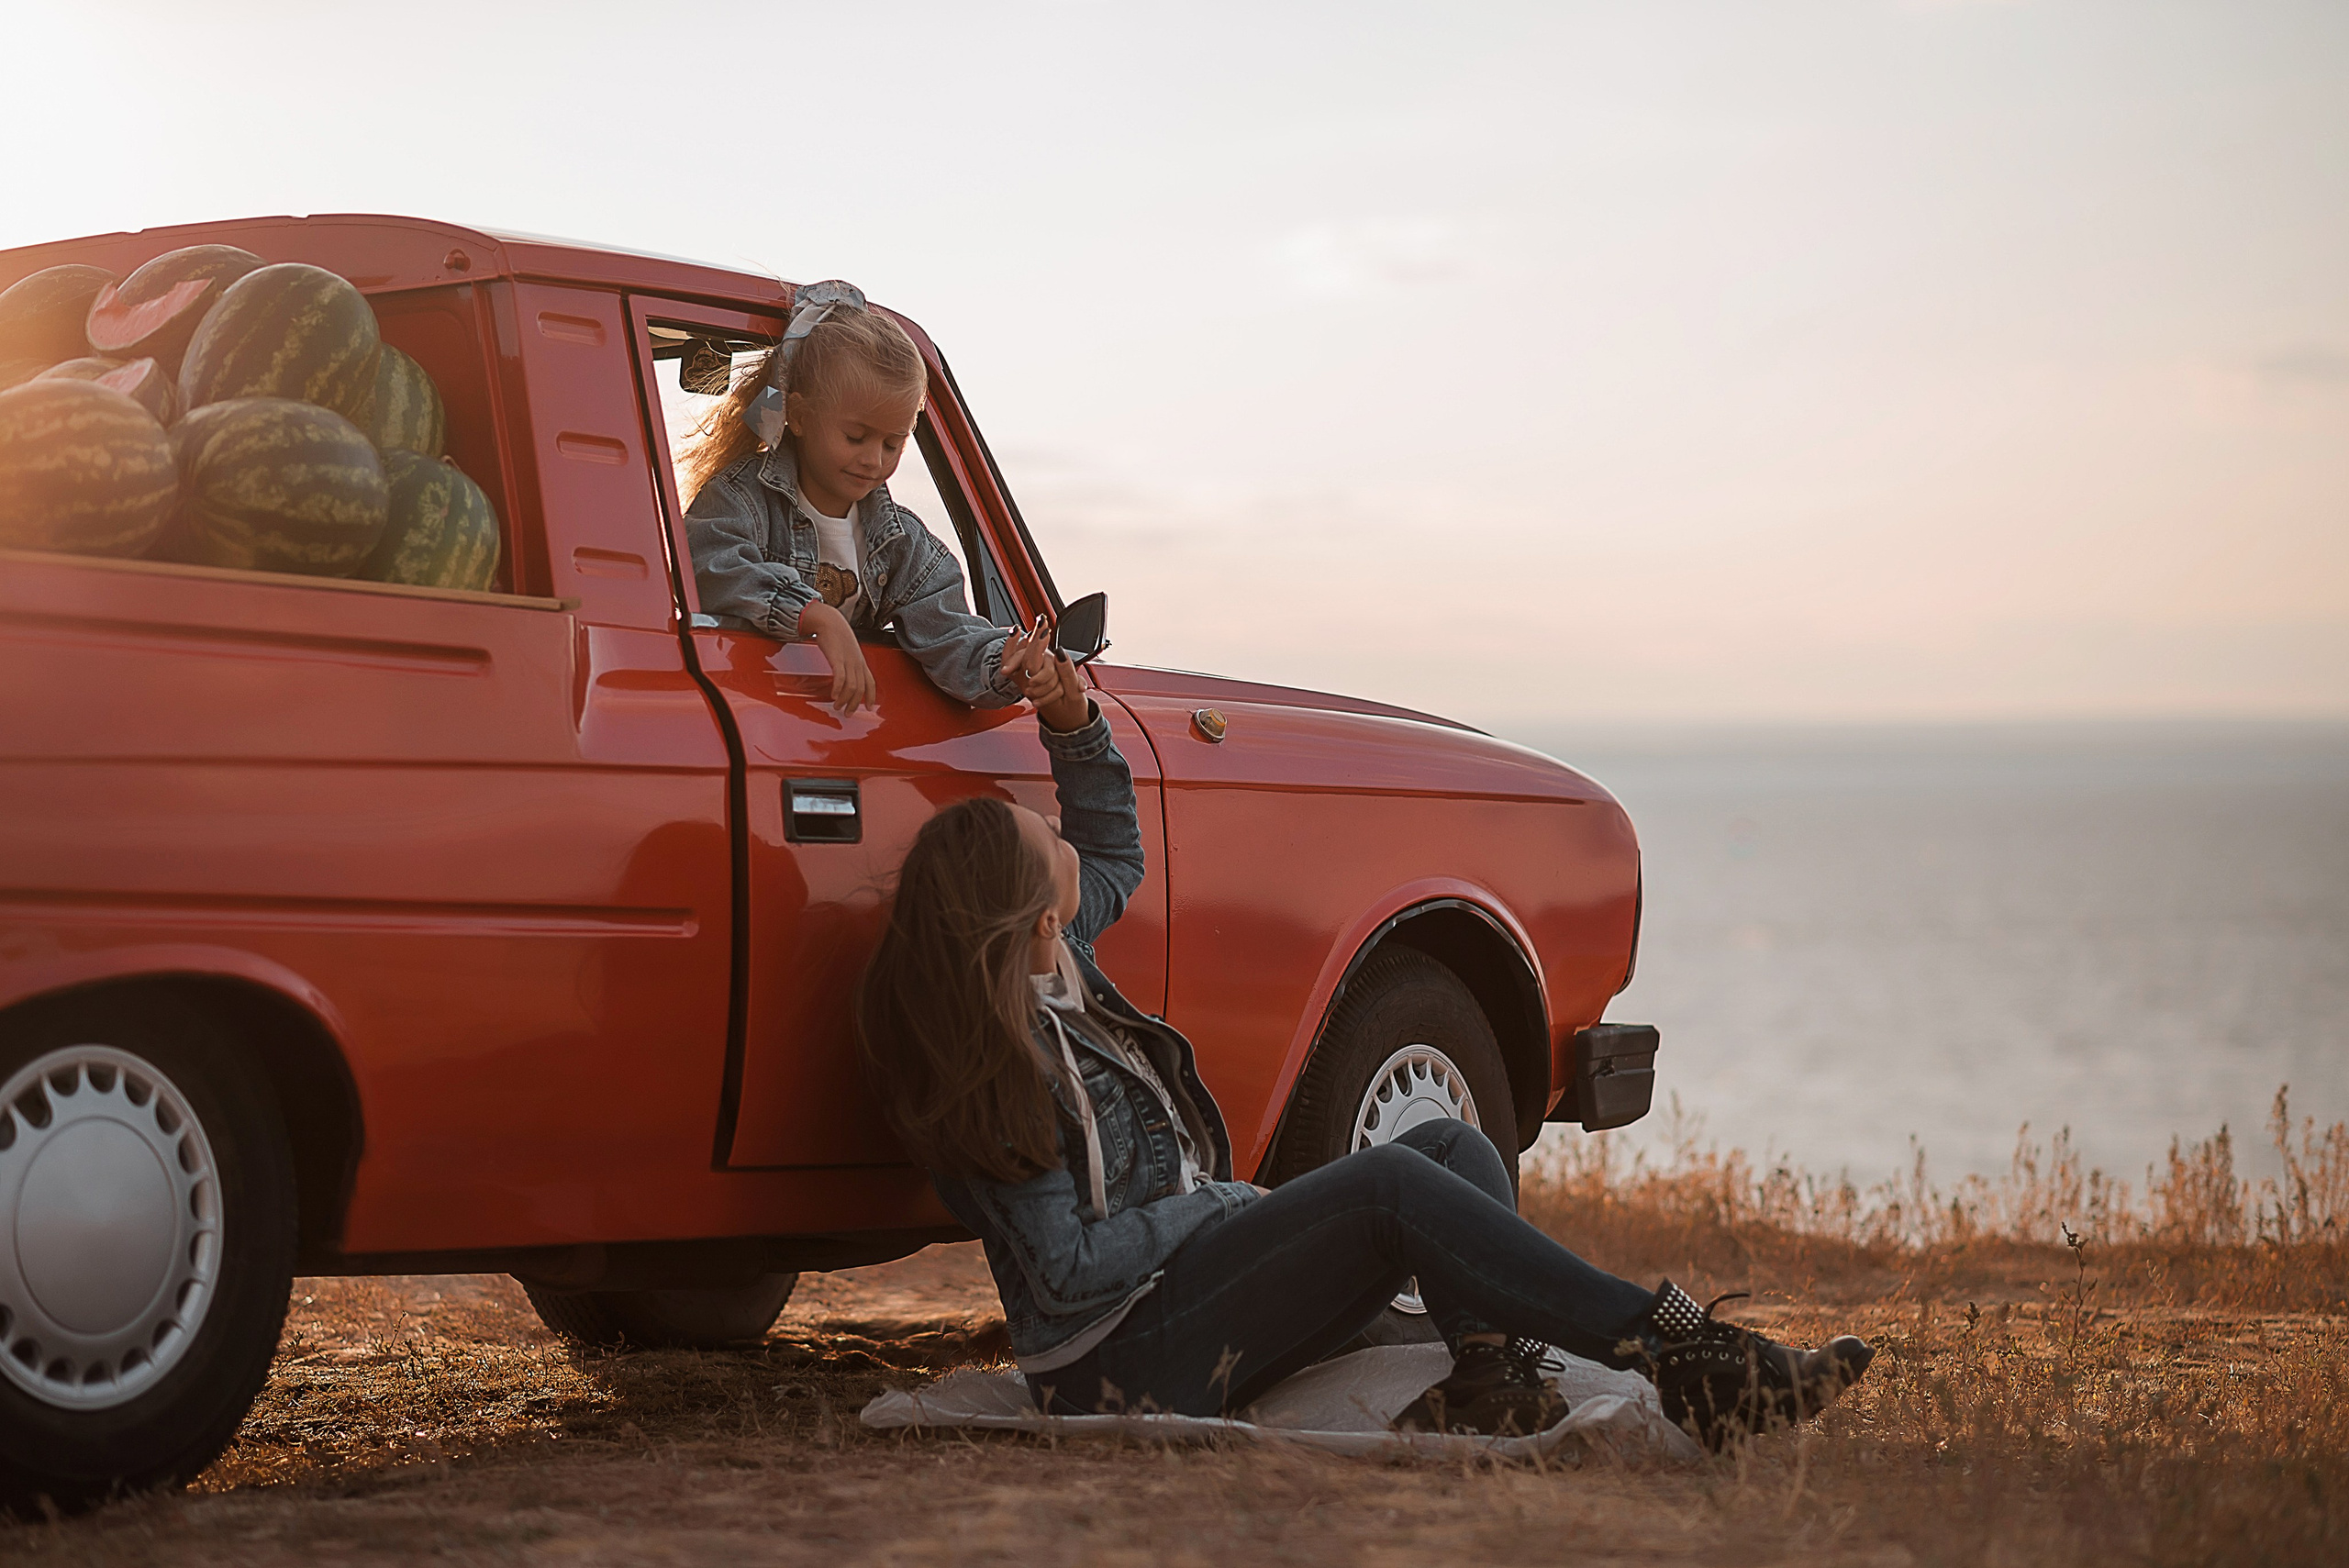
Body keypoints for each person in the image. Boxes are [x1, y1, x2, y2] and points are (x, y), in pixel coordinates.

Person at [854, 651, 1877, 1448]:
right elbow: (1072, 1272)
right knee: (1392, 1181)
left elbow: (1115, 841)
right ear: (1037, 914)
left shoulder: (1061, 956)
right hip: (1118, 1358)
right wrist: (1221, 1206)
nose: (1067, 843)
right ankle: (1687, 1351)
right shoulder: (1000, 1058)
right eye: (1050, 849)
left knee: (1453, 1152)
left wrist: (1072, 721)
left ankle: (1488, 1376)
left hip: (1180, 1294)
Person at [682, 280, 1044, 714]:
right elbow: (709, 566)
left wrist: (1004, 662)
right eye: (856, 437)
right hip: (746, 710)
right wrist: (817, 617)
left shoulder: (901, 541)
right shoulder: (740, 500)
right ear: (798, 415)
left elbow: (946, 631)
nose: (874, 460)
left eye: (893, 444)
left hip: (837, 729)